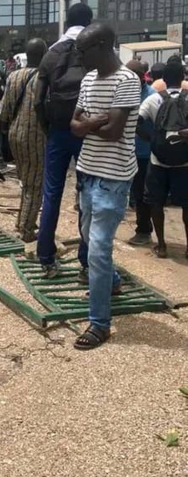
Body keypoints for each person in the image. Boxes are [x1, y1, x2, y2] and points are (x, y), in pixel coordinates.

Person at [71, 23, 141, 350]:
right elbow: (74, 126)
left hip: (114, 178)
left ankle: (100, 324)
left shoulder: (127, 81)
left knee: (98, 249)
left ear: (102, 45)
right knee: (86, 236)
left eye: (83, 50)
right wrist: (94, 122)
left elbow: (114, 132)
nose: (79, 57)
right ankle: (111, 282)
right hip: (86, 171)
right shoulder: (88, 80)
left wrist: (90, 123)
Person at [34, 3, 94, 277]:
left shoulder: (51, 53)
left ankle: (46, 257)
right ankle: (86, 261)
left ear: (66, 20)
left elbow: (37, 100)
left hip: (58, 131)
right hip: (87, 132)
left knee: (52, 194)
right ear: (90, 21)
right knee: (87, 196)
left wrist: (49, 130)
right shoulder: (95, 52)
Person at [138, 60, 188, 259]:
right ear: (182, 78)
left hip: (158, 161)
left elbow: (136, 122)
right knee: (187, 205)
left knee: (156, 203)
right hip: (185, 162)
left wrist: (151, 139)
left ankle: (161, 245)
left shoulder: (153, 100)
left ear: (164, 80)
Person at [0, 38, 48, 241]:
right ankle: (26, 230)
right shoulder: (44, 78)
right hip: (35, 136)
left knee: (25, 181)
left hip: (15, 134)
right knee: (35, 183)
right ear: (44, 54)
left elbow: (4, 110)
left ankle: (22, 221)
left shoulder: (13, 76)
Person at [125, 60, 155, 245]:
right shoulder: (125, 92)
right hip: (128, 151)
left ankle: (144, 230)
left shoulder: (152, 96)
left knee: (143, 194)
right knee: (133, 193)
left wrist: (134, 126)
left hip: (145, 154)